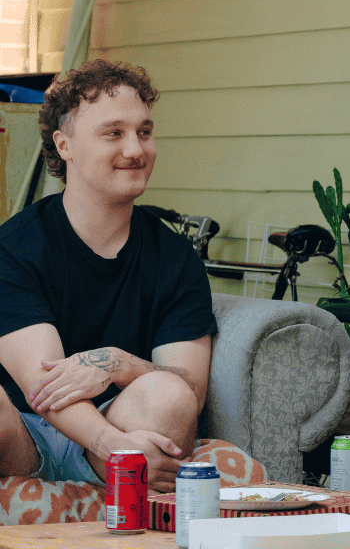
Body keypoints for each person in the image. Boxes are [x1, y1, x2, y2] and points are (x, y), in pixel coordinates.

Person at [0, 60, 217, 494]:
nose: (136, 149)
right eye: (114, 133)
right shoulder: (15, 247)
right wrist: (117, 447)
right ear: (65, 146)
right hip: (27, 438)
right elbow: (43, 387)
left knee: (170, 395)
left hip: (125, 424)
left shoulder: (174, 257)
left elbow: (191, 385)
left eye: (145, 131)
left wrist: (119, 364)